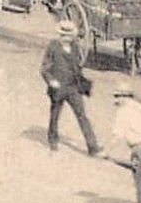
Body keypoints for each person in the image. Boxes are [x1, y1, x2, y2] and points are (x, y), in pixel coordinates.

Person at [40, 20, 101, 156]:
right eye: (63, 35)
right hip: (58, 89)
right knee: (55, 116)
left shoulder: (75, 47)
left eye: (68, 36)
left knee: (82, 116)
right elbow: (44, 69)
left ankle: (93, 147)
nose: (66, 38)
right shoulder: (53, 47)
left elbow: (78, 65)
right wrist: (51, 81)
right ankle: (53, 141)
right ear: (59, 35)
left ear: (72, 36)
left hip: (73, 88)